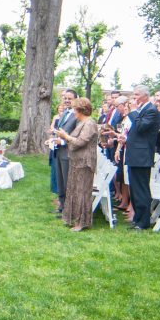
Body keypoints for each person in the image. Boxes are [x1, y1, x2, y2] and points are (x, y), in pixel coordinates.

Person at [53, 97, 99, 231]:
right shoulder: (81, 123)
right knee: (74, 190)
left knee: (82, 192)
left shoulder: (89, 123)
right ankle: (73, 218)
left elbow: (80, 141)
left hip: (85, 163)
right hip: (76, 161)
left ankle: (82, 223)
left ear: (81, 110)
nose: (73, 112)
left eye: (75, 109)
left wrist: (66, 136)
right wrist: (64, 136)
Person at [123, 85, 159, 231]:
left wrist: (132, 112)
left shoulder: (151, 110)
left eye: (137, 94)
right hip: (135, 155)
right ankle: (138, 218)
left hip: (142, 157)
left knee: (141, 189)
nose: (134, 97)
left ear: (145, 95)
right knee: (134, 189)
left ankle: (143, 222)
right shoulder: (142, 110)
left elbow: (141, 127)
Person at [51, 90, 78, 216]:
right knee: (60, 180)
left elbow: (76, 136)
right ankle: (61, 205)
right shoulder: (64, 113)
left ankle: (69, 209)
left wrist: (62, 142)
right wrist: (53, 139)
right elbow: (59, 131)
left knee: (68, 181)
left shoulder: (77, 115)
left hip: (68, 152)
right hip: (58, 151)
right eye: (65, 98)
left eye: (70, 98)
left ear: (76, 99)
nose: (67, 100)